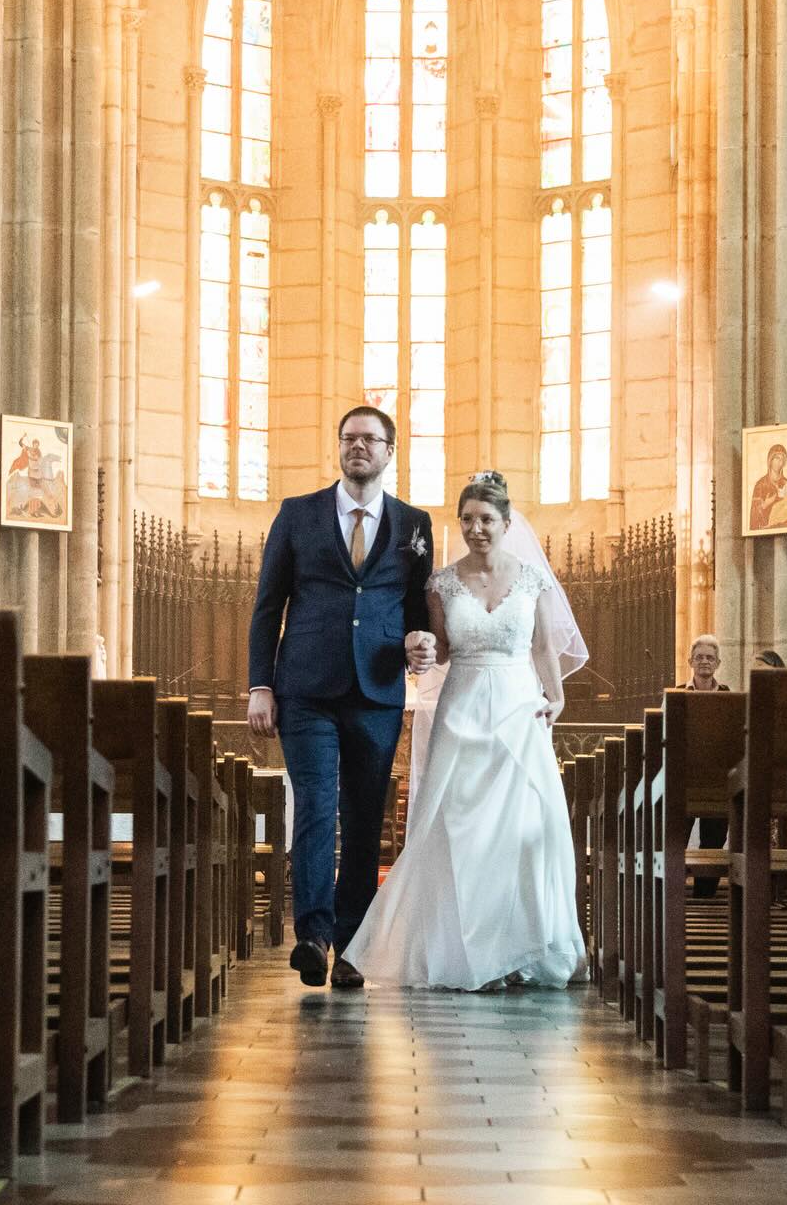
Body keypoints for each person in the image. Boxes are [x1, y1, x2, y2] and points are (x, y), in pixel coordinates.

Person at [343, 471, 587, 991]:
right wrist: (421, 649)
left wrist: (557, 695)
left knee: (521, 831)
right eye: (468, 519)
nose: (476, 529)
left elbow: (543, 646)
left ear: (507, 522)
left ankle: (518, 949)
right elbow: (443, 650)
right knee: (460, 828)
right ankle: (467, 952)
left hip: (518, 711)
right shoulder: (442, 584)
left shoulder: (532, 580)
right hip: (462, 708)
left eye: (487, 520)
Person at [247, 406, 436, 989]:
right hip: (305, 687)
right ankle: (313, 935)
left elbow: (415, 607)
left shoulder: (414, 523)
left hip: (376, 691)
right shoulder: (297, 514)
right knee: (314, 807)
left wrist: (419, 642)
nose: (359, 446)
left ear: (389, 452)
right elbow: (268, 604)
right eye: (350, 438)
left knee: (363, 817)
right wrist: (260, 685)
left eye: (370, 439)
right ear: (339, 447)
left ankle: (352, 946)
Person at [682, 634, 729, 897]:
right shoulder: (676, 694)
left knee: (714, 839)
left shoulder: (729, 696)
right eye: (699, 657)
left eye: (710, 658)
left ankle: (705, 895)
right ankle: (674, 895)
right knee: (676, 838)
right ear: (690, 661)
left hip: (717, 780)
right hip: (684, 778)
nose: (704, 662)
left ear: (718, 663)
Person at [748, 444, 787, 531]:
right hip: (765, 532)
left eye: (782, 459)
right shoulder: (761, 484)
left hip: (786, 529)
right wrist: (764, 505)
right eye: (777, 458)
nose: (779, 462)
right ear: (770, 460)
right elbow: (753, 517)